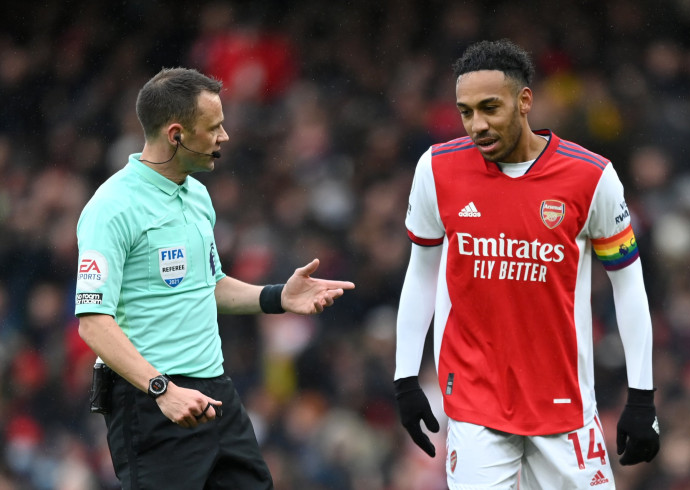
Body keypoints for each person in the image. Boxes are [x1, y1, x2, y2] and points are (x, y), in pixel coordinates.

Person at [393, 40, 659, 489]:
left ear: (525, 101)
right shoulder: (436, 170)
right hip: (474, 404)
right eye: (466, 112)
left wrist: (642, 397)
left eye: (490, 108)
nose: (477, 125)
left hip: (565, 404)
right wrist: (404, 378)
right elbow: (421, 273)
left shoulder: (591, 177)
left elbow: (629, 285)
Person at [75, 67, 355, 489]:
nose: (224, 136)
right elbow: (93, 322)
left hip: (215, 390)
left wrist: (279, 297)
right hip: (152, 402)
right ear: (176, 134)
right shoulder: (112, 208)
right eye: (214, 127)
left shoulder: (197, 194)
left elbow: (209, 284)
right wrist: (161, 389)